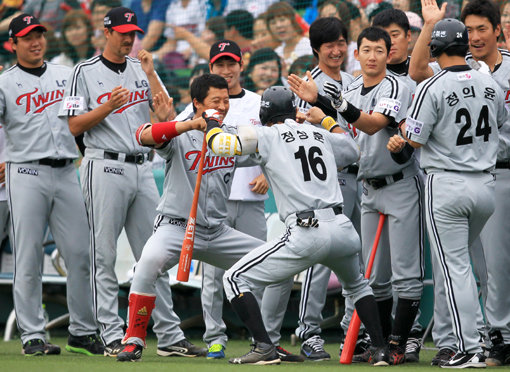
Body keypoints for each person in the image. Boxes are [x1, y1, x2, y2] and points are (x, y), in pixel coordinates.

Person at [206, 85, 390, 366]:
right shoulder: (320, 134)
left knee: (233, 279)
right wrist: (326, 120)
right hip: (341, 226)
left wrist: (211, 123)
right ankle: (380, 349)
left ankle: (265, 346)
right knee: (358, 286)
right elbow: (353, 150)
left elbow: (220, 145)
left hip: (306, 229)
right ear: (294, 110)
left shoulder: (267, 134)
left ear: (264, 113)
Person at [116, 73, 293, 362]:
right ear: (197, 103)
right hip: (175, 228)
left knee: (282, 263)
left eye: (225, 100)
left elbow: (268, 149)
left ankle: (267, 342)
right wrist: (188, 124)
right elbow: (143, 135)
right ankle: (133, 340)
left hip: (217, 232)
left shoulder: (230, 136)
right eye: (215, 101)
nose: (222, 106)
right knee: (146, 265)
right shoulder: (179, 133)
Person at [60, 6, 201, 358]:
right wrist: (107, 108)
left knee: (156, 254)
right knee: (104, 254)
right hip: (103, 164)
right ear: (106, 32)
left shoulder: (142, 68)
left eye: (132, 31)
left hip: (142, 165)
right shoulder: (84, 71)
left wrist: (152, 76)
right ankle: (110, 332)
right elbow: (73, 127)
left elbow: (166, 116)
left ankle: (169, 336)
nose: (128, 37)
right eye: (122, 31)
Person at [289, 26, 424, 366]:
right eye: (366, 50)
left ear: (388, 52)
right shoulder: (350, 87)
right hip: (367, 187)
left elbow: (372, 124)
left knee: (406, 272)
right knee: (373, 277)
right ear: (358, 53)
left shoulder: (396, 85)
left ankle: (401, 342)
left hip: (400, 183)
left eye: (379, 50)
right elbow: (338, 123)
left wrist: (329, 101)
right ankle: (381, 342)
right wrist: (315, 105)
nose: (372, 56)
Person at [390, 18, 506, 368]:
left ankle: (468, 347)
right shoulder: (489, 82)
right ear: (465, 45)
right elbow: (499, 123)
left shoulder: (432, 86)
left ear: (436, 50)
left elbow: (412, 144)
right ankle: (479, 340)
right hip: (486, 185)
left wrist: (399, 143)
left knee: (455, 268)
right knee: (465, 269)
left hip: (448, 185)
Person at [174, 40, 298, 362]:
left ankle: (265, 338)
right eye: (219, 65)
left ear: (241, 64)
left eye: (231, 64)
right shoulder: (198, 106)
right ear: (211, 67)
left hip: (252, 200)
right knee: (214, 279)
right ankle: (215, 338)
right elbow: (180, 135)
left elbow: (280, 145)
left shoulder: (259, 102)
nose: (226, 71)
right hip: (214, 203)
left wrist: (268, 176)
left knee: (263, 269)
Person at [0, 13, 103, 356]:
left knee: (79, 253)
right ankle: (32, 334)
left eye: (39, 35)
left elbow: (82, 121)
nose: (36, 41)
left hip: (66, 171)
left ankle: (83, 331)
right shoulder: (5, 81)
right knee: (27, 257)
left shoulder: (67, 74)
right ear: (12, 44)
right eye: (27, 37)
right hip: (25, 172)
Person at [287, 16, 362, 362]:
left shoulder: (353, 80)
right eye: (329, 44)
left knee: (356, 260)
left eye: (341, 42)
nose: (336, 49)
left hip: (362, 177)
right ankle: (308, 331)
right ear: (316, 49)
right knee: (320, 257)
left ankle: (352, 328)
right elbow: (302, 137)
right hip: (329, 181)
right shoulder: (308, 85)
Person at [265, 1, 312, 73]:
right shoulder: (277, 53)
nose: (278, 25)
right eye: (273, 23)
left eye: (282, 20)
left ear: (293, 20)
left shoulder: (309, 45)